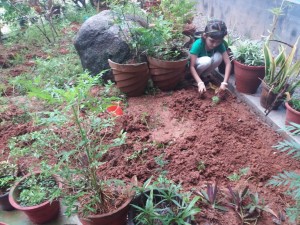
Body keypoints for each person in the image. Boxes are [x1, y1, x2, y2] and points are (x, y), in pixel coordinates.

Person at [189, 19, 231, 95]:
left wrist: (224, 83)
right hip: (195, 66)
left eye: (218, 42)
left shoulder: (220, 45)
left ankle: (203, 76)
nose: (215, 44)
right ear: (205, 36)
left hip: (204, 64)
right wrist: (199, 83)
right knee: (207, 60)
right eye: (212, 41)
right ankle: (195, 79)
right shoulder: (198, 44)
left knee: (219, 56)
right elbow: (191, 66)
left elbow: (228, 63)